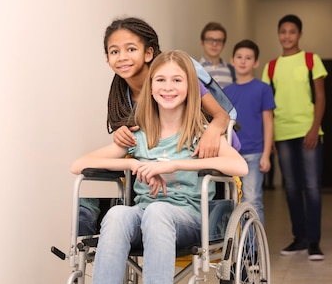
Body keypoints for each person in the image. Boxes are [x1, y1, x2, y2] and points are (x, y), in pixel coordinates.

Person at [59, 50, 248, 284]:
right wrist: (133, 162)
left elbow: (238, 165)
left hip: (187, 219)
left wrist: (178, 164)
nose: (168, 86)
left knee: (158, 211)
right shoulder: (138, 135)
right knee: (118, 215)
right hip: (143, 217)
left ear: (190, 86)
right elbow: (79, 164)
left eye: (177, 80)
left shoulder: (201, 133)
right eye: (160, 80)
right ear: (150, 88)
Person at [79, 17, 231, 236]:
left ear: (148, 53)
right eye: (115, 52)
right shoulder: (122, 97)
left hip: (204, 144)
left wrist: (213, 133)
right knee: (119, 207)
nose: (122, 57)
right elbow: (133, 139)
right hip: (155, 162)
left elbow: (221, 116)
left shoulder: (174, 76)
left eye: (130, 49)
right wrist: (122, 132)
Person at [261, 14, 328, 261]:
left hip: (308, 131)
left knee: (311, 187)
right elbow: (266, 106)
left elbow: (320, 97)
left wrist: (314, 128)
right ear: (278, 34)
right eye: (283, 32)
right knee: (291, 188)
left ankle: (314, 242)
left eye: (292, 31)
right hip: (282, 133)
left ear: (299, 34)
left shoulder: (312, 60)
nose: (287, 36)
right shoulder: (271, 67)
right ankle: (299, 238)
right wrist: (271, 137)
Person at [224, 40, 275, 226]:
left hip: (254, 153)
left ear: (256, 63)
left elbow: (268, 123)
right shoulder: (226, 92)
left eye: (248, 58)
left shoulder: (263, 89)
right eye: (239, 57)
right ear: (232, 60)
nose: (243, 61)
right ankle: (240, 249)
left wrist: (266, 155)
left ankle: (254, 252)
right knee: (232, 202)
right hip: (231, 155)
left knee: (252, 200)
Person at [199, 22, 234, 88]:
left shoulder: (232, 70)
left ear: (223, 45)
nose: (214, 44)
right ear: (202, 43)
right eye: (210, 40)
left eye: (219, 40)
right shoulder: (195, 70)